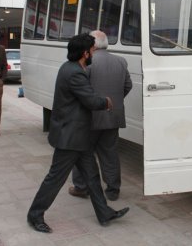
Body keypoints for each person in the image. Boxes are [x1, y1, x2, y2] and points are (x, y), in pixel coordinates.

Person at [27, 33, 129, 233]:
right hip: (70, 137)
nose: (93, 53)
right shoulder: (74, 72)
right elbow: (90, 100)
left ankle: (104, 212)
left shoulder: (72, 68)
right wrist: (106, 101)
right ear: (85, 52)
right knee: (55, 179)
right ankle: (35, 215)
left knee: (91, 176)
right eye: (92, 50)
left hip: (78, 135)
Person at [69, 30, 132, 201]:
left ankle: (81, 187)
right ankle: (113, 190)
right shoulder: (121, 61)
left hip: (89, 117)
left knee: (82, 152)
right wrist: (113, 102)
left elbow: (82, 91)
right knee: (110, 154)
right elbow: (127, 86)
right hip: (112, 117)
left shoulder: (86, 62)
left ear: (93, 45)